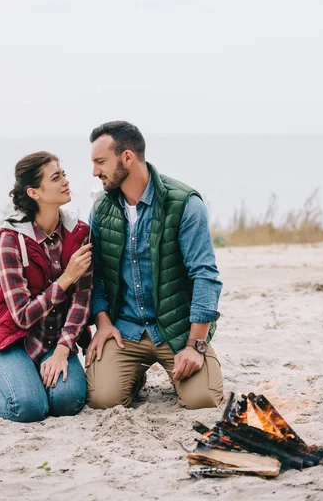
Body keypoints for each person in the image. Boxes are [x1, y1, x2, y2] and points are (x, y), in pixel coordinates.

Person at [85, 121, 223, 410]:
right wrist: (103, 322)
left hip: (176, 331)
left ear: (127, 158)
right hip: (125, 331)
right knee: (102, 399)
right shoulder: (101, 208)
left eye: (100, 162)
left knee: (203, 400)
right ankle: (133, 376)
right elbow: (95, 275)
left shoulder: (184, 203)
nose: (95, 172)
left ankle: (192, 363)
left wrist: (195, 346)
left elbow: (205, 276)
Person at [0, 151, 93, 422]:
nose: (65, 181)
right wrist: (66, 278)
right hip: (11, 343)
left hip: (55, 341)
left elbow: (82, 300)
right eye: (56, 178)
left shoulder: (79, 233)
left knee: (67, 402)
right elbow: (22, 315)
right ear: (34, 192)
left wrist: (64, 350)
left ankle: (27, 379)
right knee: (29, 408)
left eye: (63, 174)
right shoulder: (10, 240)